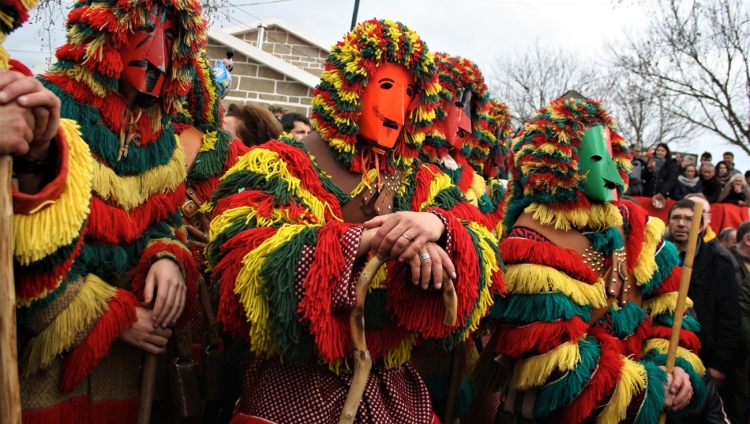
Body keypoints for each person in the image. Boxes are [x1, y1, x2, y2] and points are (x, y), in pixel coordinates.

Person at [205, 19, 503, 423]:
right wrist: (360, 240)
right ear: (351, 88)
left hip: (393, 395)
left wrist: (439, 229)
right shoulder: (277, 163)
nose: (398, 110)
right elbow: (238, 263)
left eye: (410, 93)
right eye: (386, 87)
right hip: (294, 391)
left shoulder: (422, 181)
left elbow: (484, 256)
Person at [7, 0, 206, 421]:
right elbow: (23, 248)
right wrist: (113, 316)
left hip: (130, 378)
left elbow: (167, 223)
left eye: (170, 37)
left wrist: (168, 257)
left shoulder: (162, 137)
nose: (156, 50)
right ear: (107, 30)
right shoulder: (48, 107)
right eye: (142, 28)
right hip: (46, 372)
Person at [477, 97, 703, 423]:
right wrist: (646, 388)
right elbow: (549, 362)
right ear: (558, 162)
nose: (611, 172)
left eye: (612, 157)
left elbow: (672, 310)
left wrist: (674, 366)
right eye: (597, 158)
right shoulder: (531, 245)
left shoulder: (638, 228)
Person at [666, 199, 743, 424]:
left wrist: (719, 365)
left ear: (701, 227)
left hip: (702, 359)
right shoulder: (651, 258)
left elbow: (729, 319)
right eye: (676, 218)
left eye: (689, 219)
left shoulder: (719, 264)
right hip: (658, 357)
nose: (681, 223)